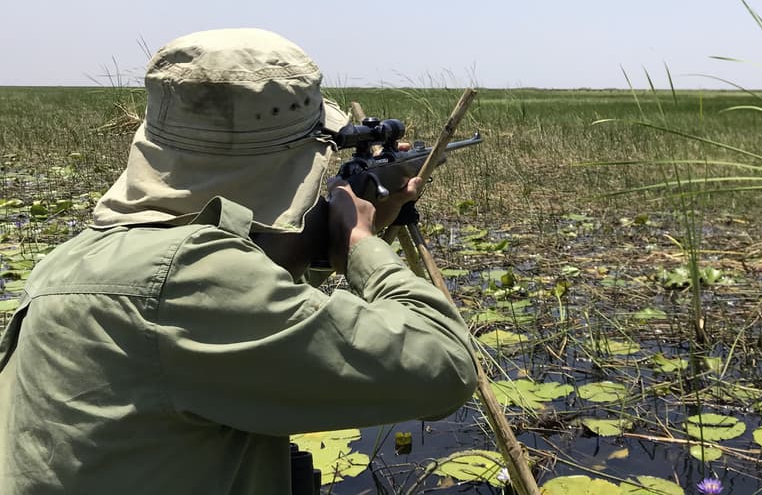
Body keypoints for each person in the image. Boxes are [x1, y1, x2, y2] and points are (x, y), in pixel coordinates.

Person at [0, 28, 479, 494]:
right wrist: (359, 241)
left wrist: (331, 242)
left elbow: (244, 288)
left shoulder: (80, 256)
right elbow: (445, 367)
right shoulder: (188, 279)